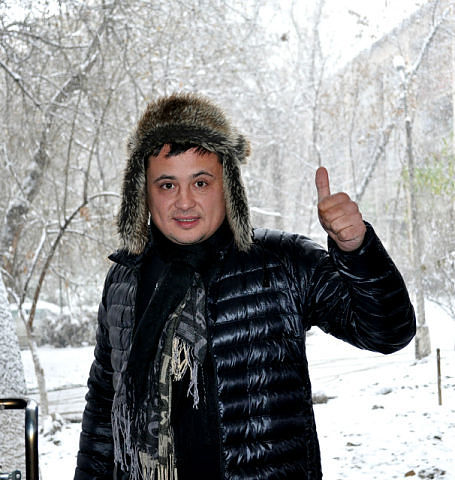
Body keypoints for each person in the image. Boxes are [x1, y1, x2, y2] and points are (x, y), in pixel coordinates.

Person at [74, 92, 416, 480]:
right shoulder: (124, 277)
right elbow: (103, 406)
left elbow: (388, 333)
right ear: (143, 191)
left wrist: (356, 250)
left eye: (200, 182)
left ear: (228, 185)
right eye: (167, 185)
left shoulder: (282, 262)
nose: (184, 202)